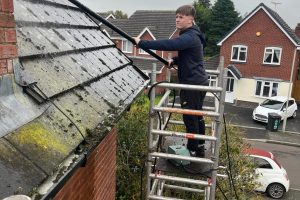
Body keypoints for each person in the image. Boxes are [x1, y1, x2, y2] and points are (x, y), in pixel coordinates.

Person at [134, 5, 208, 157]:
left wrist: (142, 43)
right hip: (198, 81)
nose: (177, 20)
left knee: (190, 118)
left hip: (192, 84)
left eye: (181, 17)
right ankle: (200, 146)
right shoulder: (194, 34)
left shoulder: (190, 36)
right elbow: (190, 56)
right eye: (176, 17)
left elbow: (171, 44)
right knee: (197, 115)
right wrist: (175, 60)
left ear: (191, 18)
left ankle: (192, 151)